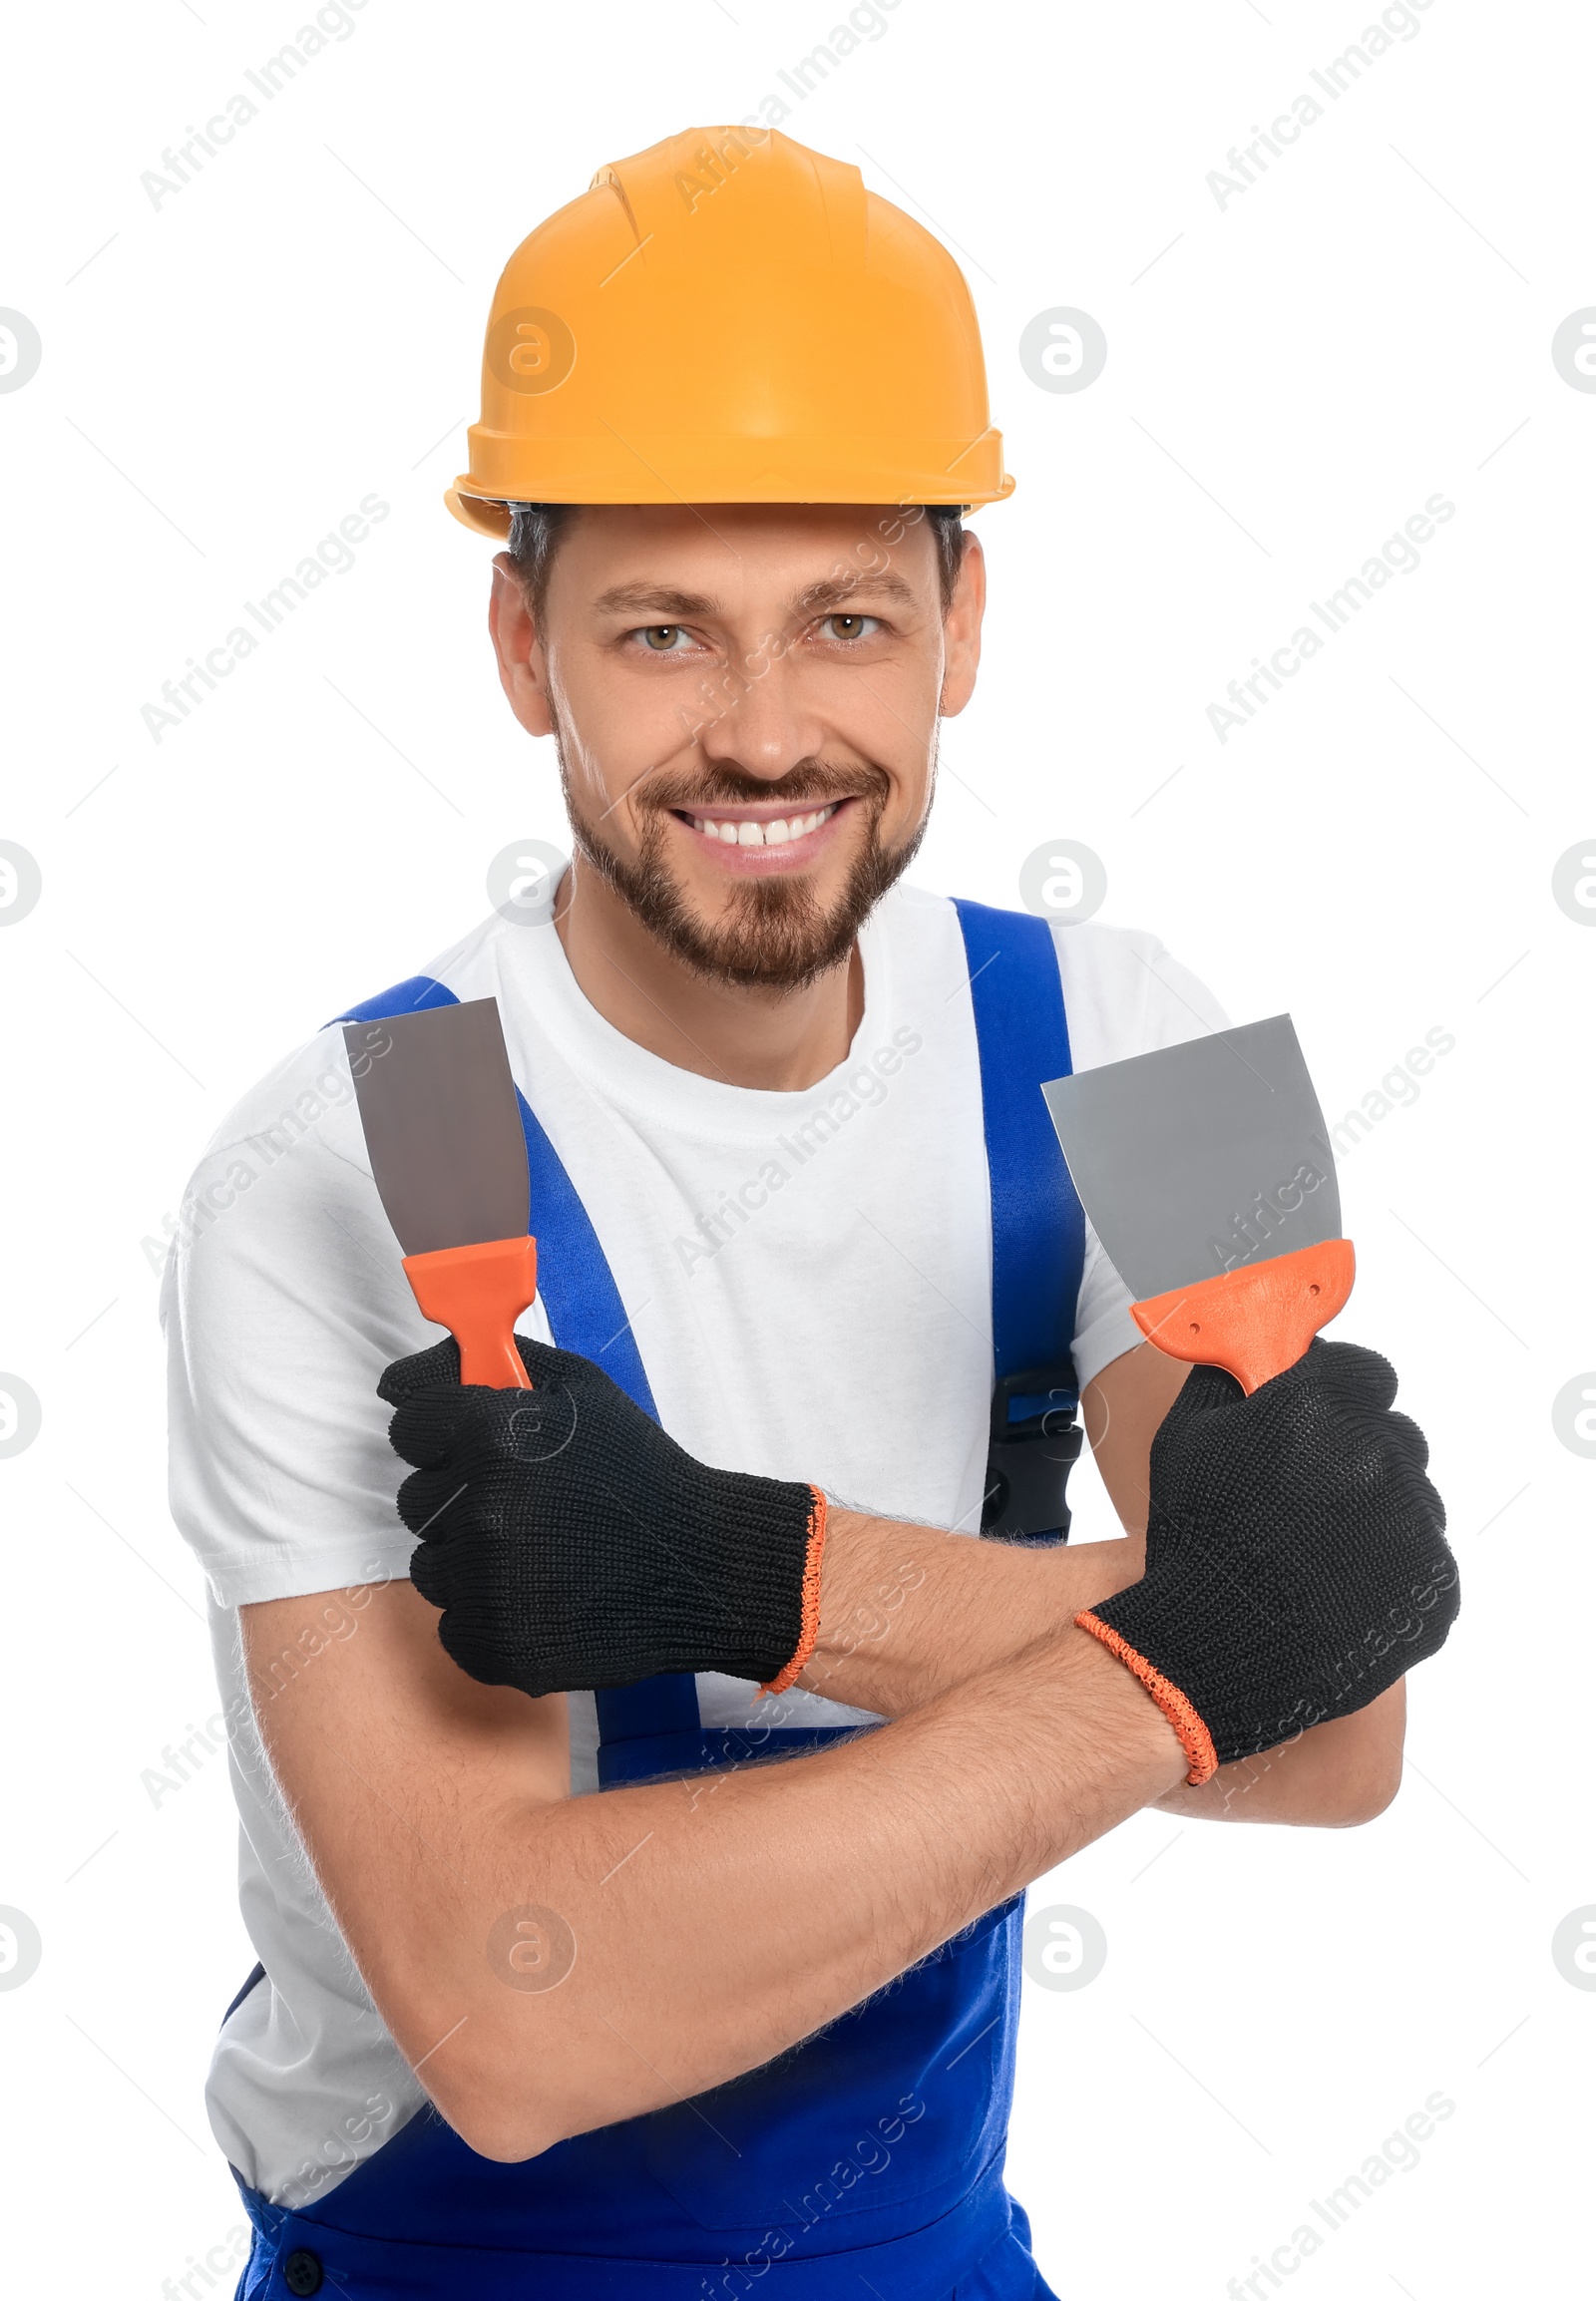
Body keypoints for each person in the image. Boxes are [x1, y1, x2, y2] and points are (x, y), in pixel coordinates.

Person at [165, 126, 1456, 2300]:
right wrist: (1191, 1631)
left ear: (960, 619)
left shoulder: (1163, 1044)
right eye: (661, 630)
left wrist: (741, 1571)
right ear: (518, 640)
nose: (762, 733)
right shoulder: (337, 1155)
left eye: (843, 616)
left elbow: (1340, 1736)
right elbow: (511, 2009)